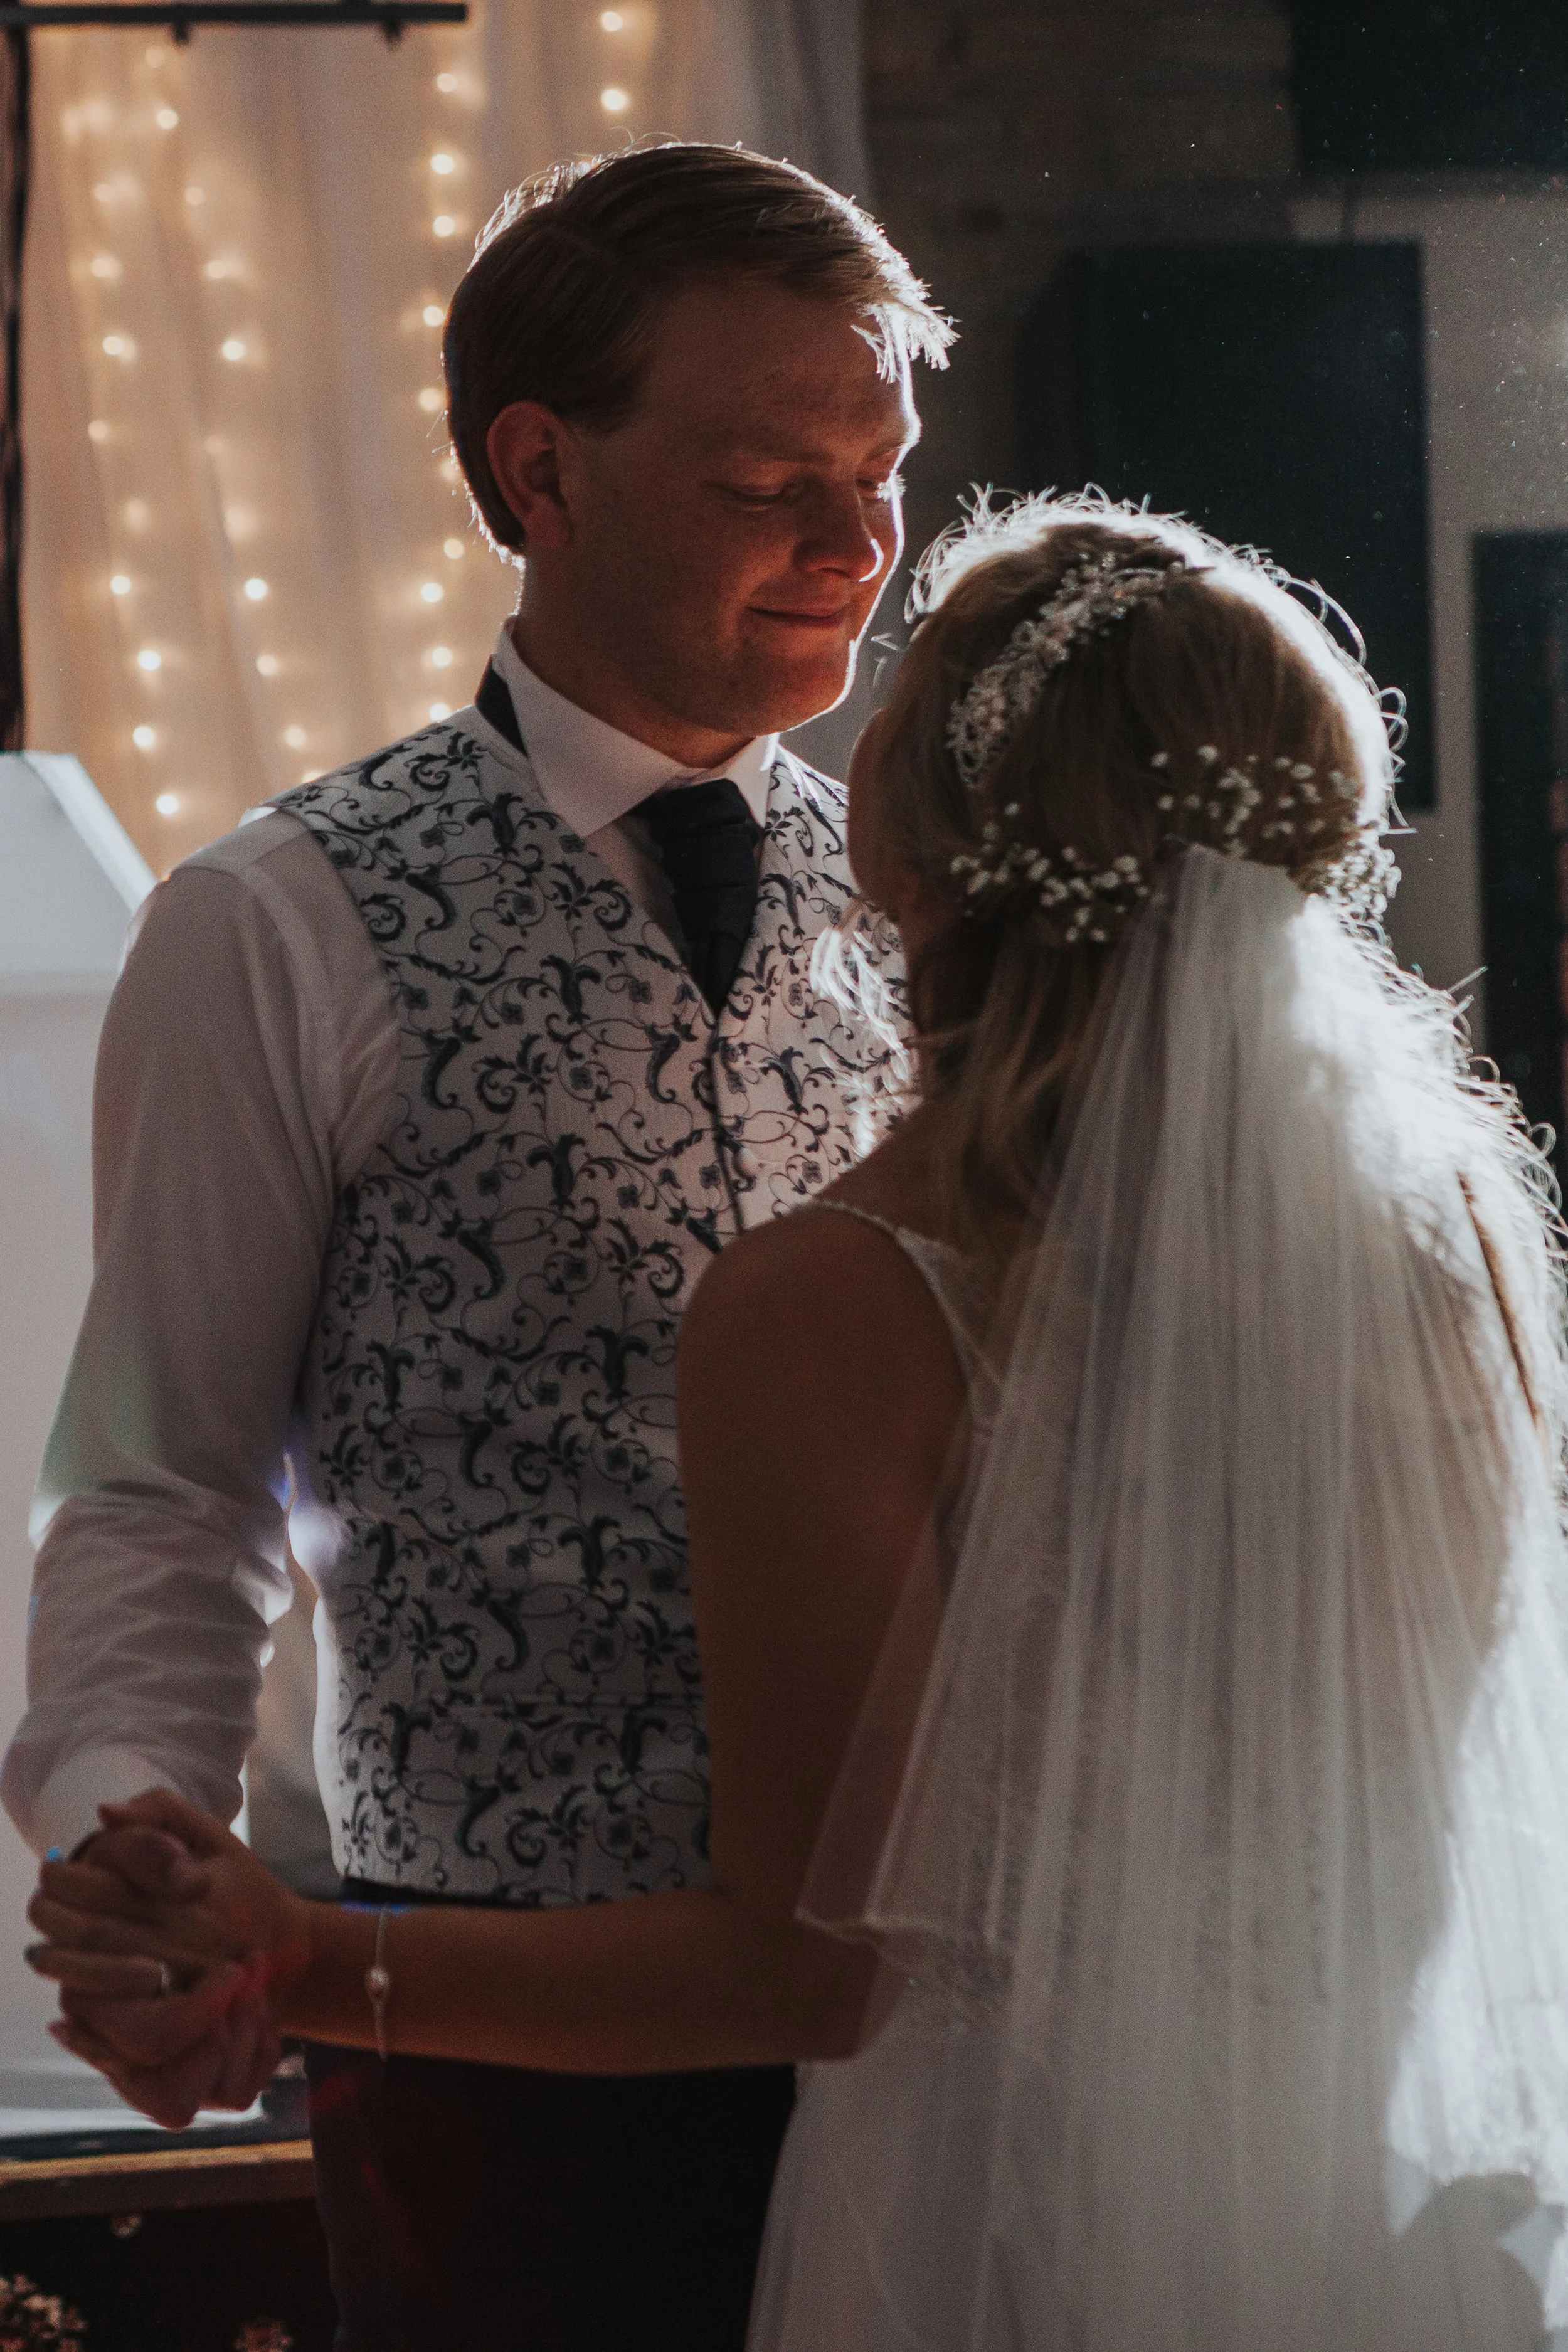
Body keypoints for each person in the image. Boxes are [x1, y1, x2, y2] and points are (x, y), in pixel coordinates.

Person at [31, 492, 1568, 2350]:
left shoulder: (834, 1302)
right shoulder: (1460, 1246)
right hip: (1361, 2206)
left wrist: (307, 1954)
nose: (845, 539)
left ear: (908, 857)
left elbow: (815, 1958)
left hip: (987, 2220)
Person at [3, 142, 951, 2352]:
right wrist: (146, 1865)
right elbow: (160, 1486)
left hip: (933, 2021)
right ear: (541, 470)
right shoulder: (275, 923)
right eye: (767, 476)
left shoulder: (944, 896)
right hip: (492, 2058)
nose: (853, 543)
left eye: (883, 472)